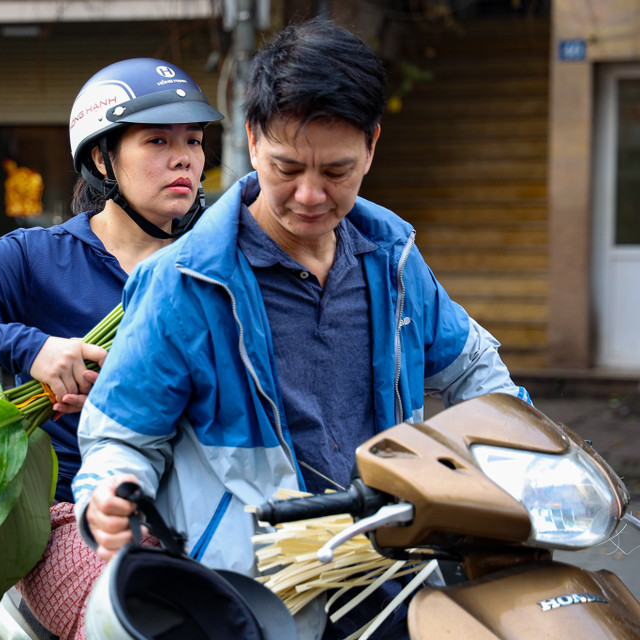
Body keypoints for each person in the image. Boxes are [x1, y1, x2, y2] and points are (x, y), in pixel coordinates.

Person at [74, 18, 531, 640]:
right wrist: (111, 493)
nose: (311, 196)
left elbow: (477, 372)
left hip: (394, 568)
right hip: (258, 591)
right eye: (287, 168)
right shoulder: (183, 283)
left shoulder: (390, 258)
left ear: (371, 146)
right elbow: (121, 437)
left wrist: (516, 460)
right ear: (254, 139)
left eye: (337, 171)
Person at [0, 59, 223, 639]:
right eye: (158, 140)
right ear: (100, 158)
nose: (184, 156)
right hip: (74, 517)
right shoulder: (35, 257)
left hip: (209, 501)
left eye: (193, 140)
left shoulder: (218, 261)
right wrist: (30, 348)